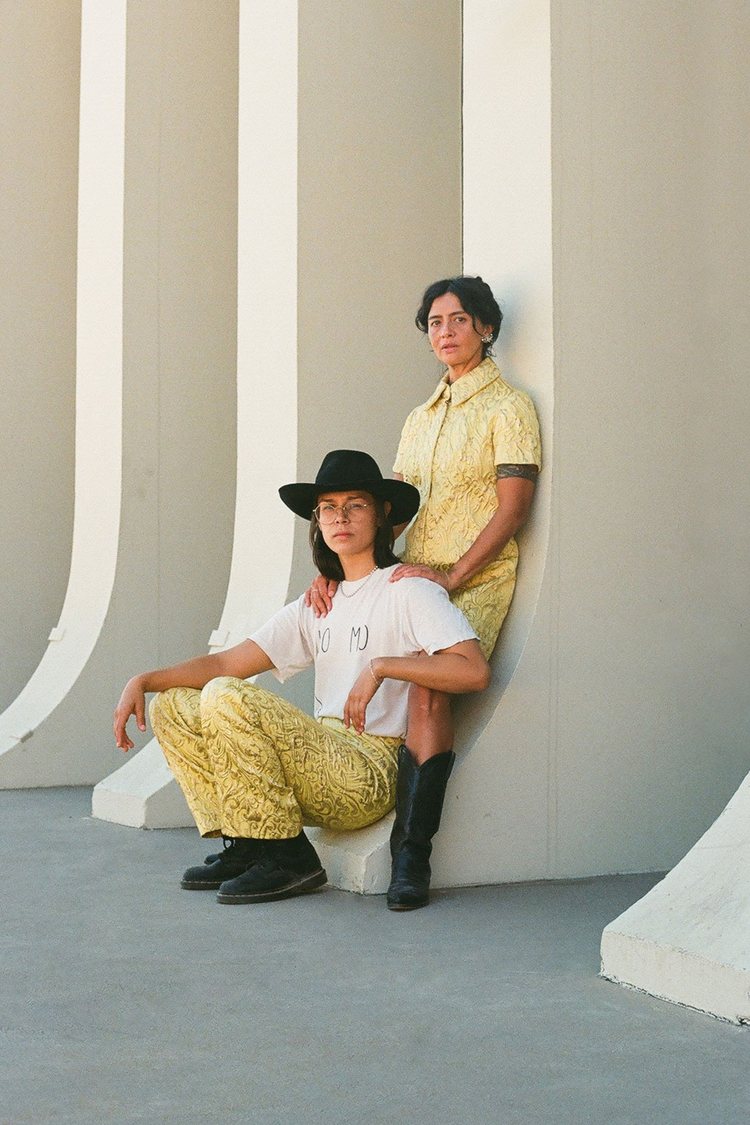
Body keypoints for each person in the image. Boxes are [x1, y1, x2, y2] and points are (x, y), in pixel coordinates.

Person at [113, 449, 490, 909]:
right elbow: (226, 663)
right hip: (319, 761)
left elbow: (472, 669)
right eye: (328, 508)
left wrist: (383, 666)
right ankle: (249, 841)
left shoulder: (407, 589)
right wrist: (145, 680)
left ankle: (290, 859)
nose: (341, 517)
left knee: (227, 698)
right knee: (174, 703)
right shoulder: (319, 601)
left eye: (355, 505)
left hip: (367, 768)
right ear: (317, 520)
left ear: (382, 514)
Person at [308, 277, 541, 905]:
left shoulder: (509, 407)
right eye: (434, 322)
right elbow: (394, 513)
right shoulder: (418, 418)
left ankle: (412, 858)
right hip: (413, 575)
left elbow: (513, 509)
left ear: (486, 329)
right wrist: (341, 569)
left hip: (475, 579)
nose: (445, 332)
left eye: (459, 320)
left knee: (428, 693)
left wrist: (457, 574)